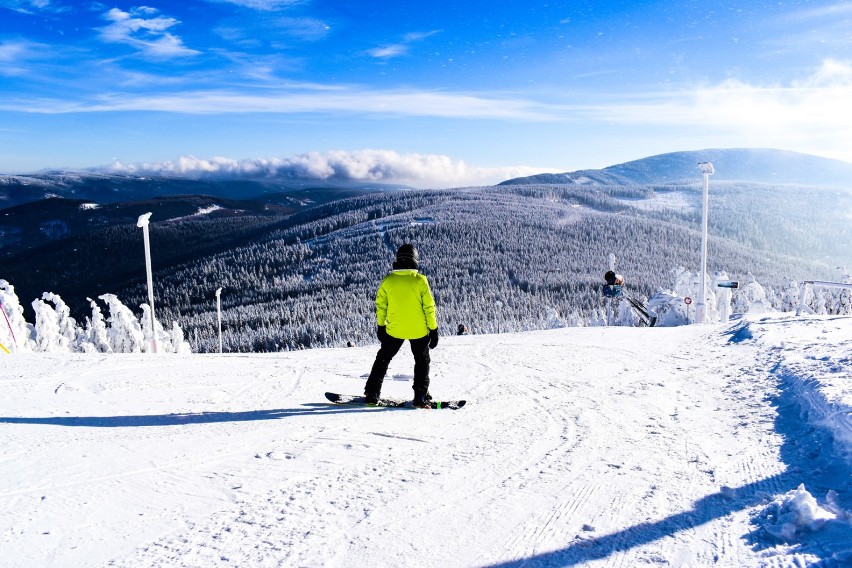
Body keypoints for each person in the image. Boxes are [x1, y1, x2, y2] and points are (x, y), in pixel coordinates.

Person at [364, 244, 439, 407]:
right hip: (418, 330)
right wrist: (433, 330)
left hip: (394, 330)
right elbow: (429, 307)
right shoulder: (420, 280)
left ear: (398, 259)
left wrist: (381, 326)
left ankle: (372, 393)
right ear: (415, 260)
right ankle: (420, 395)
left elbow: (381, 305)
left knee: (383, 358)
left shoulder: (389, 280)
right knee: (422, 361)